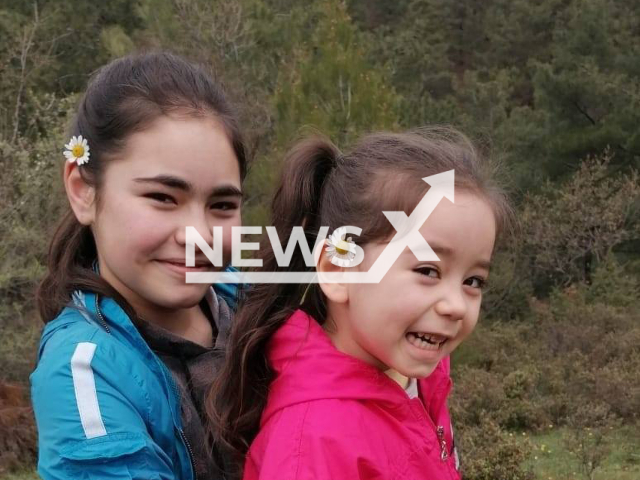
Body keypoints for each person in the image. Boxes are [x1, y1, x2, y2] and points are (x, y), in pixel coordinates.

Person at [208, 128, 513, 479]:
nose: (456, 305)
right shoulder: (312, 444)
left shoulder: (417, 380)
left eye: (473, 281)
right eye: (428, 270)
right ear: (338, 269)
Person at [30, 51, 246, 480]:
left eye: (222, 205)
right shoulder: (84, 373)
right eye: (163, 198)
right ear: (83, 191)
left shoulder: (249, 299)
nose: (197, 233)